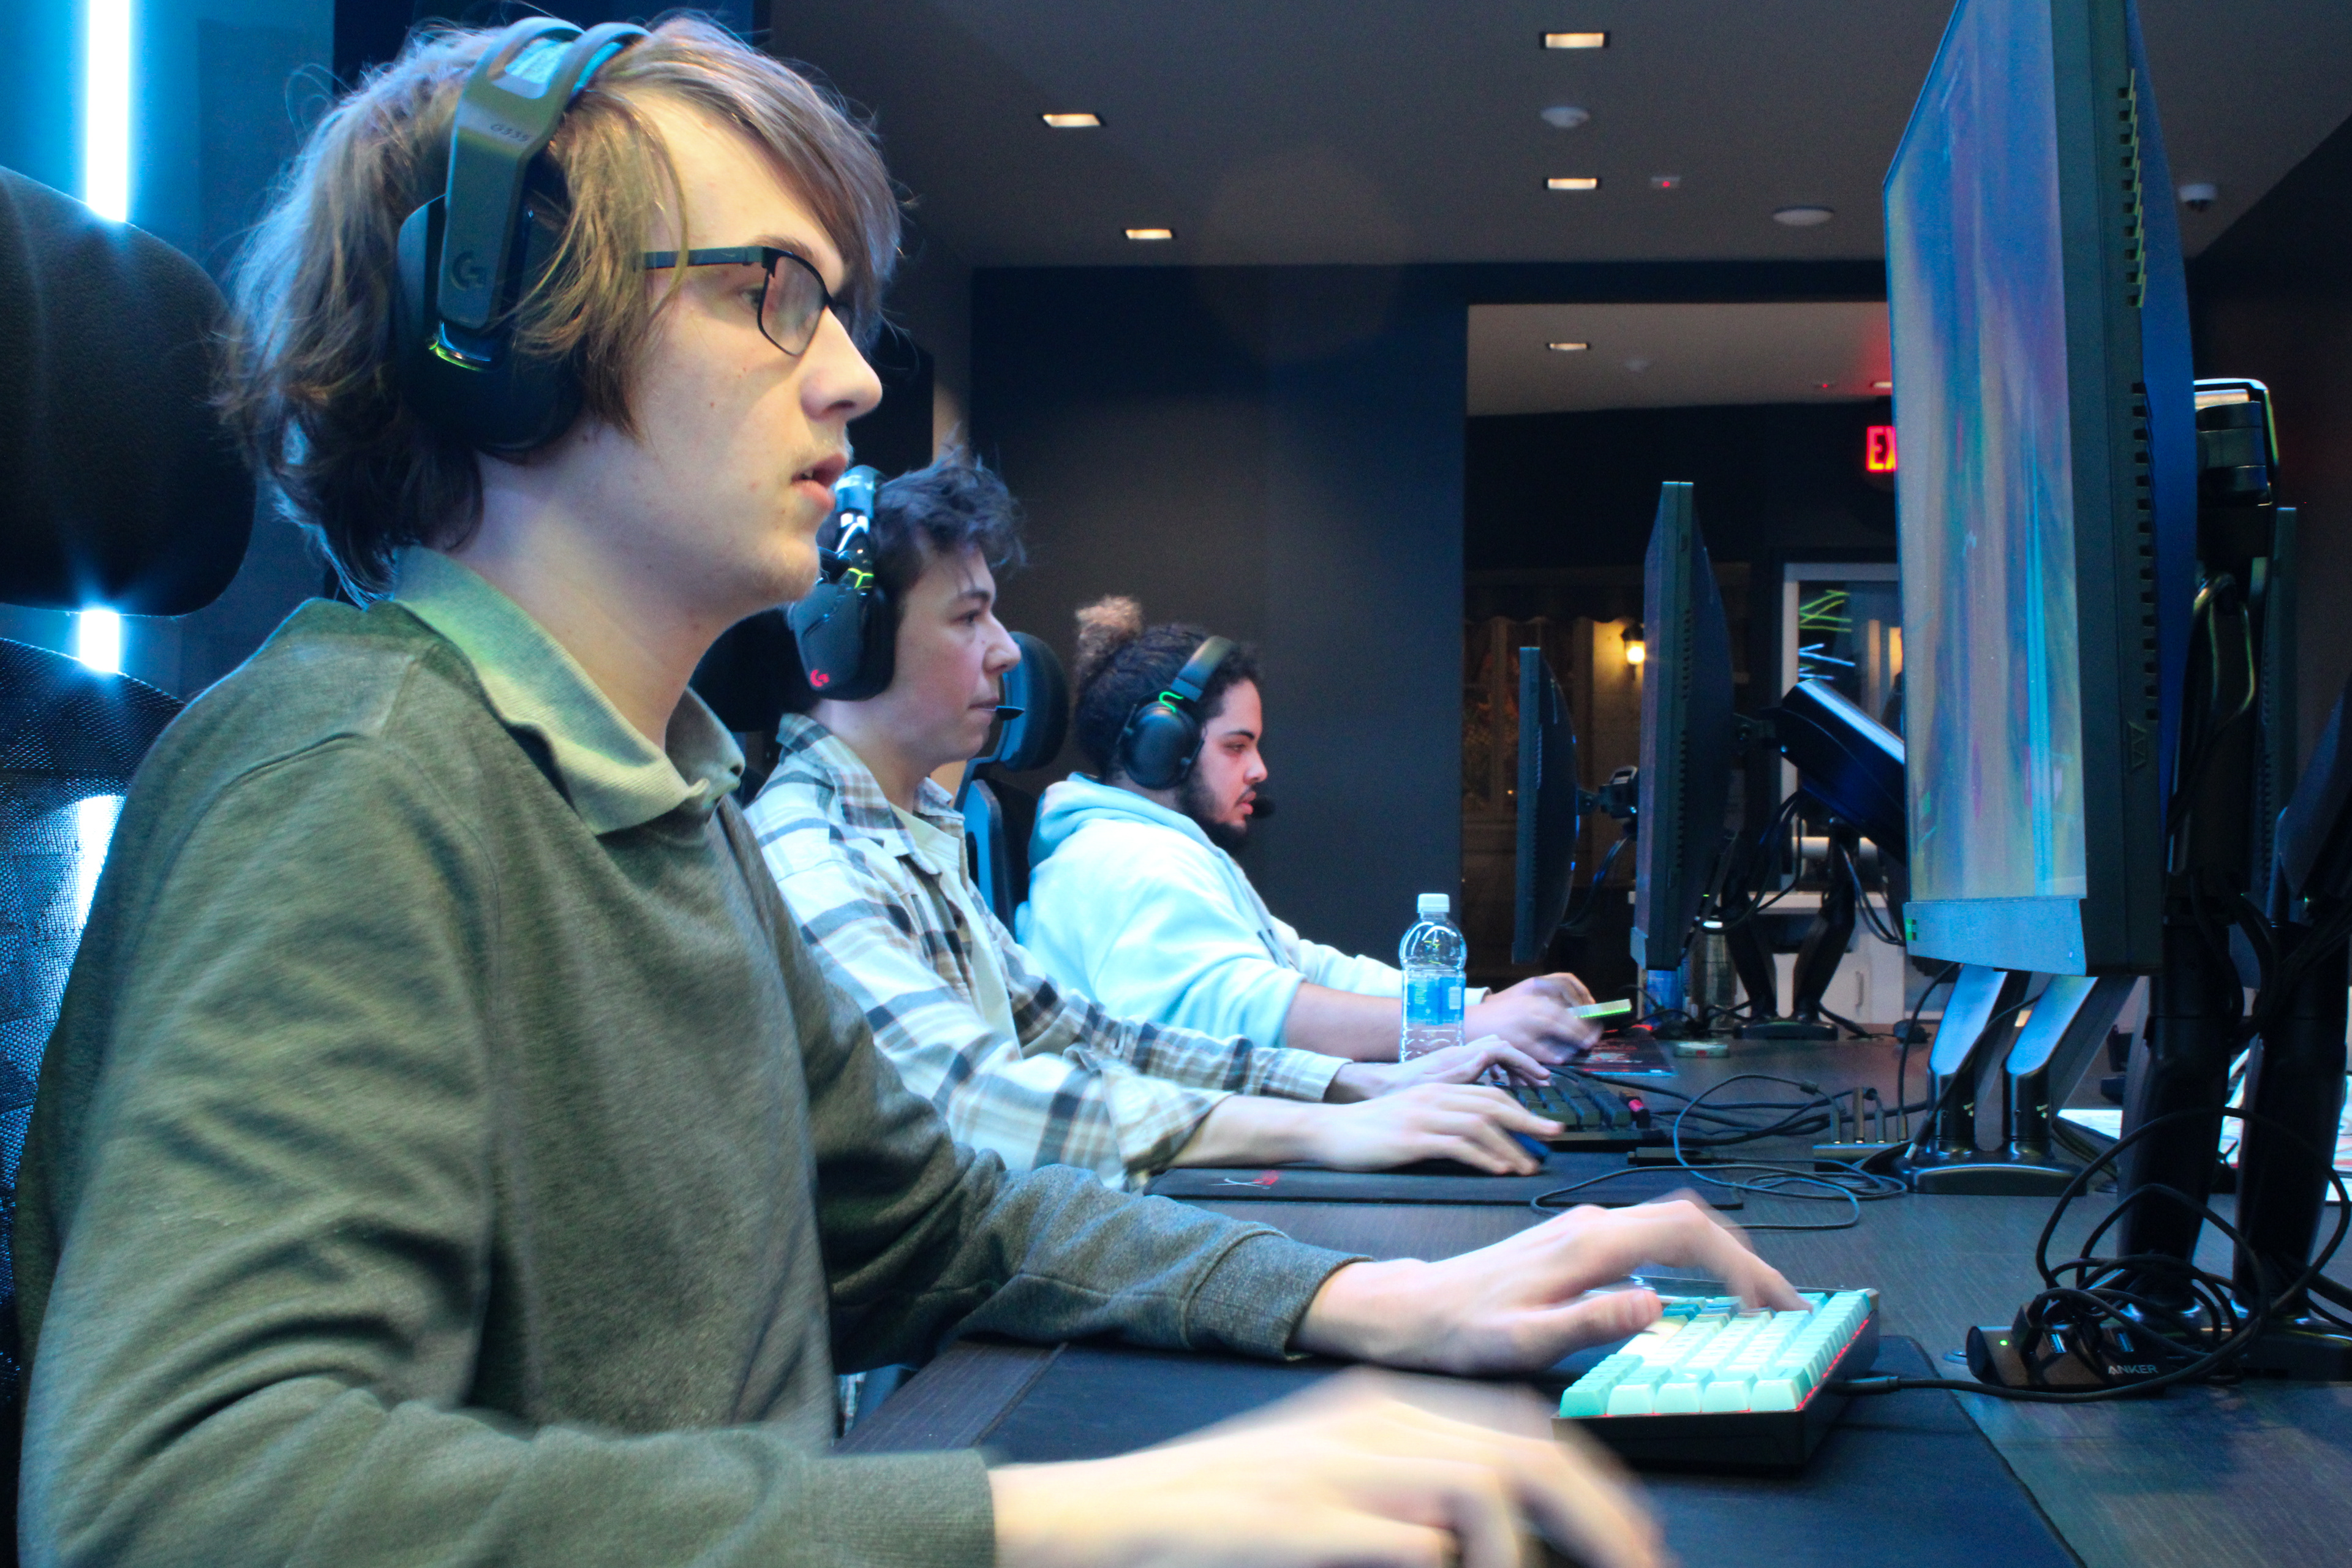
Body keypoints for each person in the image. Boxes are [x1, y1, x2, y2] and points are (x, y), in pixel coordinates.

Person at [11, 19, 1801, 1568]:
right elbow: (188, 1498)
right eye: (771, 294)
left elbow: (928, 1210)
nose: (856, 377)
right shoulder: (352, 783)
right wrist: (1084, 1516)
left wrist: (1369, 1296)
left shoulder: (660, 797)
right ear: (503, 322)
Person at [743, 453, 1566, 1189]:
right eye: (968, 617)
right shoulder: (814, 860)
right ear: (849, 645)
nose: (1007, 649)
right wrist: (1330, 1126)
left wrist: (1354, 1086)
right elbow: (978, 1101)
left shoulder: (915, 833)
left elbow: (1084, 1034)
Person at [1021, 596, 1610, 1064]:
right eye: (1236, 746)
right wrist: (1466, 1026)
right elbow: (1248, 1013)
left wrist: (1481, 1003)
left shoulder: (1160, 850)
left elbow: (1304, 969)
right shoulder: (1125, 862)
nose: (1259, 770)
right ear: (1159, 747)